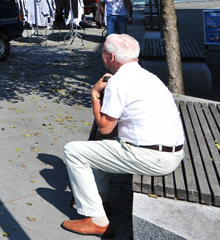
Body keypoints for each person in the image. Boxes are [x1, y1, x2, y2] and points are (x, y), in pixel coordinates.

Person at [61, 34, 184, 237]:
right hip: (172, 152)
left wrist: (94, 95)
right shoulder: (150, 77)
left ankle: (96, 220)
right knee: (97, 149)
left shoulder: (118, 83)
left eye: (102, 53)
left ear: (110, 56)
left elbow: (105, 128)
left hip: (153, 157)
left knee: (73, 151)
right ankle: (101, 200)